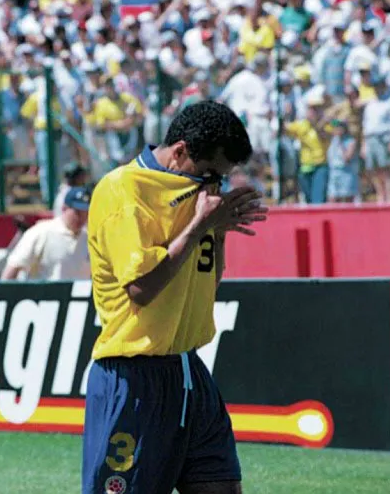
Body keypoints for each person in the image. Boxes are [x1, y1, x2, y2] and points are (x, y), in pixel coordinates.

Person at [83, 100, 267, 494]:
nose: (212, 185)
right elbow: (141, 289)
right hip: (133, 376)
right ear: (181, 151)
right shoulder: (123, 190)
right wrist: (202, 225)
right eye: (208, 173)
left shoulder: (196, 195)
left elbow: (206, 284)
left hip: (189, 372)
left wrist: (216, 232)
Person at [0, 185, 92, 280]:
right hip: (44, 294)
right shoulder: (42, 232)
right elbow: (13, 268)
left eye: (85, 212)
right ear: (64, 208)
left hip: (79, 293)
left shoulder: (90, 238)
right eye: (77, 212)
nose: (81, 217)